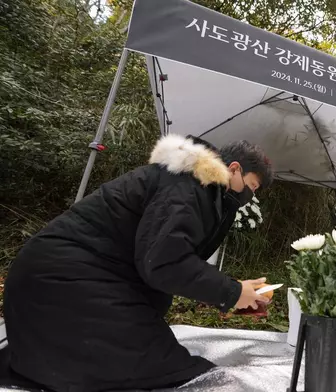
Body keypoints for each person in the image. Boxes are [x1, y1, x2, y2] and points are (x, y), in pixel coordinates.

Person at [1, 134, 273, 392]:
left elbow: (162, 258)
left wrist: (231, 295)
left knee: (152, 357)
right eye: (250, 186)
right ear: (234, 168)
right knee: (163, 367)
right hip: (61, 282)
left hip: (72, 279)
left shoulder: (197, 187)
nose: (248, 195)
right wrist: (232, 292)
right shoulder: (188, 187)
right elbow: (163, 263)